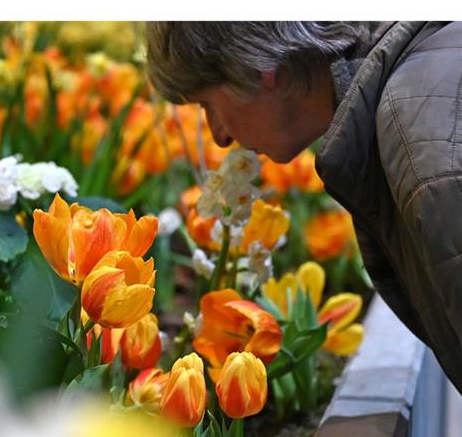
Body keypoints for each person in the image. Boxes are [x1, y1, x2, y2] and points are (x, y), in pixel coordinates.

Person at [145, 21, 462, 394]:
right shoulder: (421, 82)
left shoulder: (424, 150)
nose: (218, 135)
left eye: (207, 105)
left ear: (258, 66)